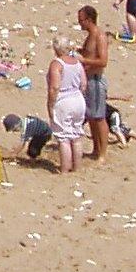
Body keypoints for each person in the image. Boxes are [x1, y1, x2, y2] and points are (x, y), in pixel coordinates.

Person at [47, 39, 86, 174]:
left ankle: (64, 169)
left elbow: (55, 87)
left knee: (63, 138)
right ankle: (77, 168)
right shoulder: (77, 63)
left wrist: (50, 105)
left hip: (64, 100)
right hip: (78, 99)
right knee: (76, 135)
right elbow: (84, 84)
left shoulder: (57, 64)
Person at [78, 6, 111, 162]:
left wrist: (84, 60)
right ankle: (96, 149)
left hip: (96, 80)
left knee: (99, 118)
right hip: (88, 80)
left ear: (89, 20)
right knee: (91, 117)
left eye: (81, 20)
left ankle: (103, 154)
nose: (79, 24)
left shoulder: (99, 36)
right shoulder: (89, 36)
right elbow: (89, 53)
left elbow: (103, 61)